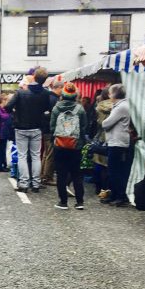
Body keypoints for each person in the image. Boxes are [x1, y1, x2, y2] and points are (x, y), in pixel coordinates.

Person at [5, 67, 51, 193]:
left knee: (22, 156)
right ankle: (36, 183)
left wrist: (16, 111)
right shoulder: (46, 93)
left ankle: (24, 183)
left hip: (21, 128)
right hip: (37, 128)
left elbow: (8, 107)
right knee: (36, 156)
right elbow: (48, 110)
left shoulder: (21, 93)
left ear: (34, 77)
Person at [50, 82, 87, 210]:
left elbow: (52, 127)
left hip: (60, 144)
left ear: (63, 94)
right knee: (76, 173)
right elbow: (83, 128)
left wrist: (53, 140)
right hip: (75, 145)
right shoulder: (80, 109)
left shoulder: (56, 108)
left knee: (61, 174)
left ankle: (63, 202)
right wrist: (81, 143)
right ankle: (80, 202)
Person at [100, 83, 131, 207]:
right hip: (117, 141)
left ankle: (119, 196)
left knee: (115, 171)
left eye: (110, 93)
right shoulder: (121, 105)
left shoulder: (120, 107)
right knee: (115, 170)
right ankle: (115, 195)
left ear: (114, 94)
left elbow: (106, 124)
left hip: (117, 142)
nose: (109, 95)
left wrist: (104, 121)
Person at [40, 81, 63, 186]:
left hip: (45, 129)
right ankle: (47, 177)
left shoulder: (47, 97)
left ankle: (42, 174)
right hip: (50, 129)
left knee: (46, 153)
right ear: (58, 88)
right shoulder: (54, 100)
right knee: (50, 153)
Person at [0, 93, 14, 172]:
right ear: (3, 100)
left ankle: (3, 164)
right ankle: (0, 165)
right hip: (0, 132)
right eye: (7, 100)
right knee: (0, 149)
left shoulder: (6, 110)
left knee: (3, 149)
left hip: (5, 132)